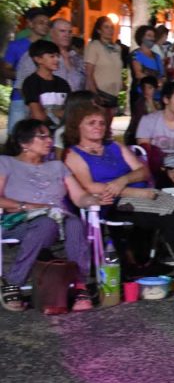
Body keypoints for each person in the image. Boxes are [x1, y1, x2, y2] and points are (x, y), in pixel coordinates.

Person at [63, 103, 174, 283]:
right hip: (116, 201)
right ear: (77, 126)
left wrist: (122, 180)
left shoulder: (115, 146)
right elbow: (90, 186)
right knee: (170, 216)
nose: (98, 127)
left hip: (143, 192)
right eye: (91, 123)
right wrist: (133, 192)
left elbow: (143, 171)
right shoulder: (74, 154)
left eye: (101, 123)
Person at [0, 120, 103, 313]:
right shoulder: (6, 163)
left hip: (57, 220)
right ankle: (13, 282)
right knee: (45, 223)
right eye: (43, 136)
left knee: (74, 223)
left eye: (49, 135)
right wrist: (25, 206)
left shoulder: (57, 166)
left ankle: (81, 286)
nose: (49, 140)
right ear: (24, 143)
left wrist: (93, 199)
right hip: (19, 220)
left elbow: (79, 196)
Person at [3, 8, 51, 134]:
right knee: (16, 136)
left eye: (47, 23)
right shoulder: (16, 45)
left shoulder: (50, 48)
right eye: (41, 22)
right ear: (30, 24)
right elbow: (5, 70)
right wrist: (25, 76)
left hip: (43, 101)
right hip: (20, 98)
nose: (45, 26)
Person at [15, 18, 85, 95]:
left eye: (70, 32)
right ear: (51, 32)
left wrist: (68, 63)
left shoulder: (75, 57)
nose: (67, 35)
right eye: (62, 31)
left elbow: (79, 86)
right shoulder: (37, 53)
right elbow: (22, 85)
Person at [22, 40, 71, 131]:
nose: (57, 59)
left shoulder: (63, 83)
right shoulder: (31, 82)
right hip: (40, 132)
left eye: (57, 56)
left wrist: (50, 113)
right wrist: (56, 113)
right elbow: (37, 115)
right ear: (38, 59)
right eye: (52, 56)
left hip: (63, 132)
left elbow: (70, 112)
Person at [84, 16, 125, 120]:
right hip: (100, 93)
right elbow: (89, 72)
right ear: (99, 30)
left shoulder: (117, 48)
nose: (110, 30)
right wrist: (95, 94)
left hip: (113, 94)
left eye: (112, 27)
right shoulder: (94, 46)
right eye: (106, 27)